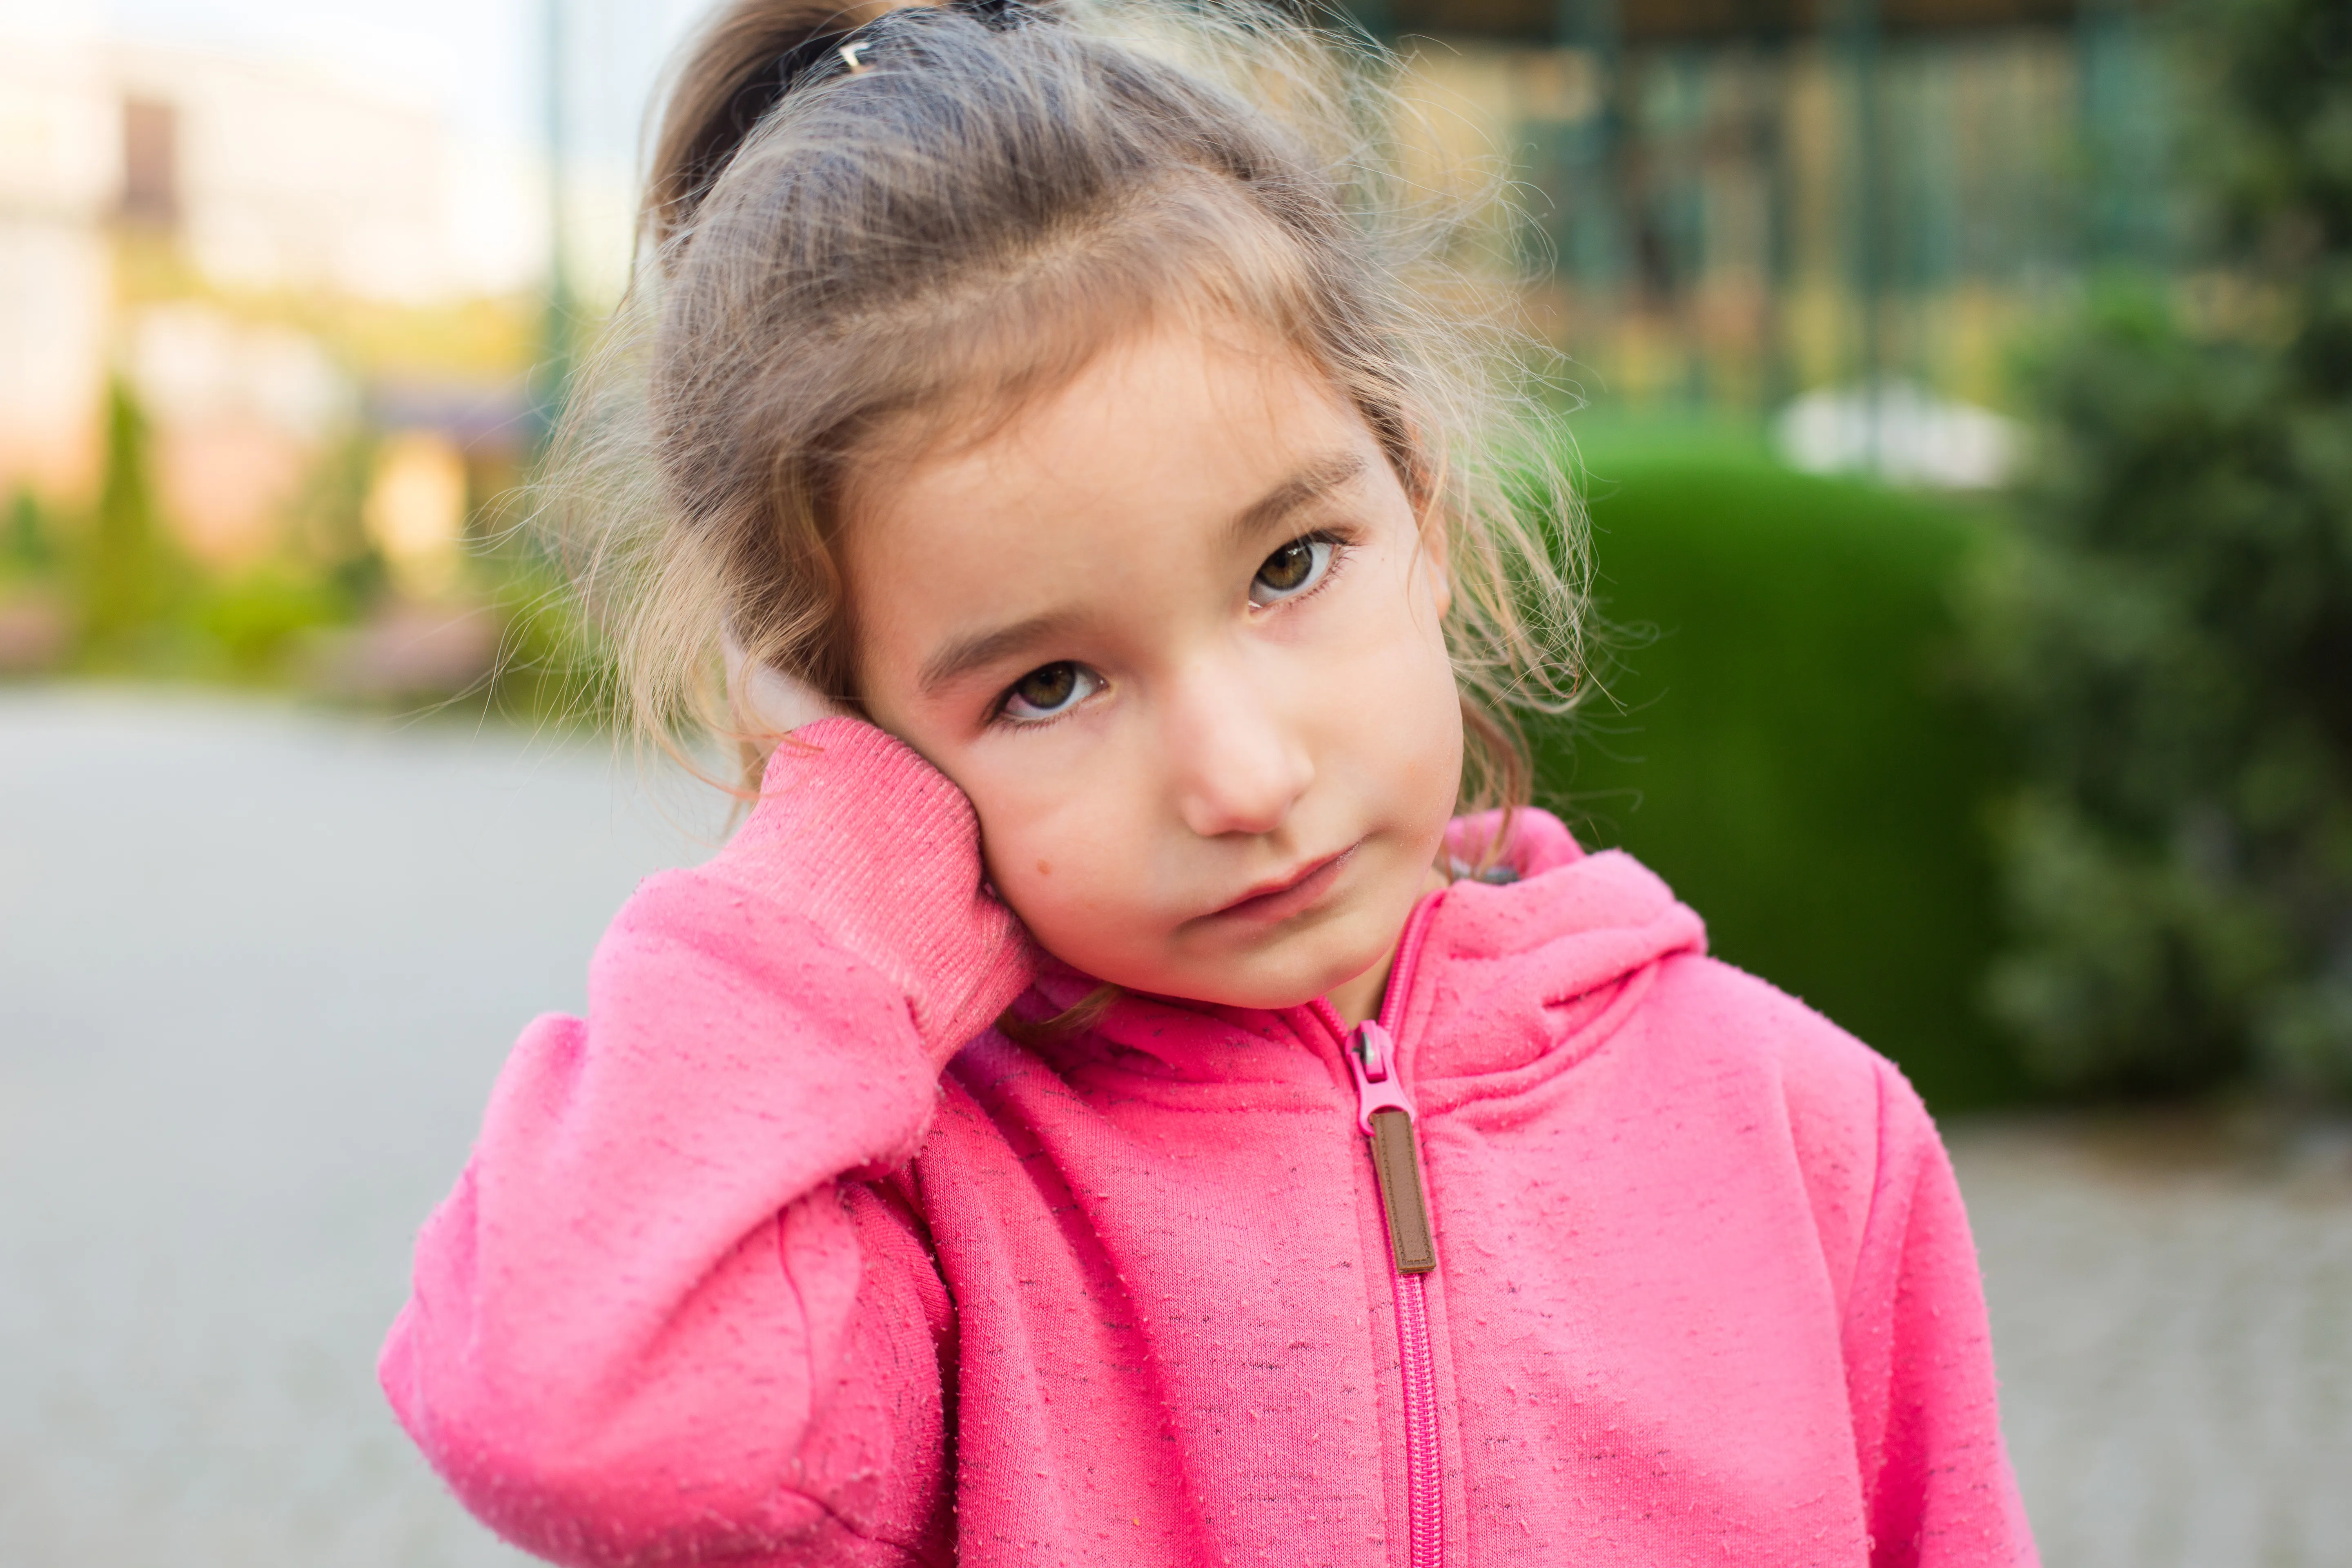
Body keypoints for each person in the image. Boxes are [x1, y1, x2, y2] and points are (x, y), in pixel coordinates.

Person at [380, 2, 2038, 1564]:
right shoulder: (932, 1228)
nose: (1241, 777)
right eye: (1048, 686)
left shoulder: (1808, 1130)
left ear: (1430, 518)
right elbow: (571, 1420)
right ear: (861, 738)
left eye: (1291, 566)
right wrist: (835, 863)